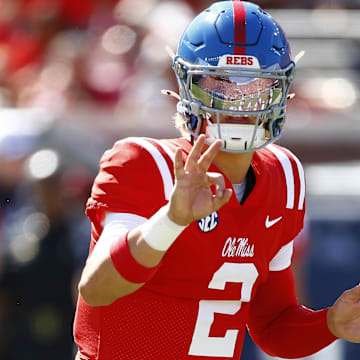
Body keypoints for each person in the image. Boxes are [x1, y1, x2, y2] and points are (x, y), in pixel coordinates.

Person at [73, 1, 360, 359]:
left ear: (280, 90)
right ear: (188, 85)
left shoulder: (283, 176)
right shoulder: (145, 163)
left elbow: (272, 325)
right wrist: (171, 220)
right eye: (221, 84)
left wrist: (331, 323)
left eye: (256, 87)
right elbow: (97, 288)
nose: (239, 104)